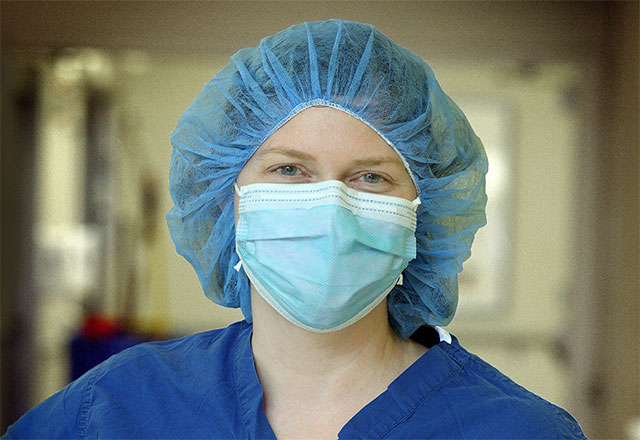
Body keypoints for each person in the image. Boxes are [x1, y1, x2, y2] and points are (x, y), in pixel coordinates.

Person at [4, 19, 586, 439]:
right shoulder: (118, 410)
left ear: (421, 216)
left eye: (371, 178)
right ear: (228, 199)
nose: (329, 207)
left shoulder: (517, 430)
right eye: (290, 170)